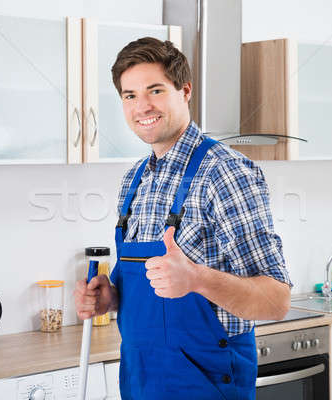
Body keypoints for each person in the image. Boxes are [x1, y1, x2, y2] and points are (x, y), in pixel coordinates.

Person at [74, 37, 292, 400]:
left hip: (207, 387)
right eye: (130, 95)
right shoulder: (135, 179)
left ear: (185, 90)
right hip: (141, 385)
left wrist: (197, 279)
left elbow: (276, 301)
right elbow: (147, 290)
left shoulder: (225, 172)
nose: (142, 106)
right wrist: (109, 298)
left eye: (154, 90)